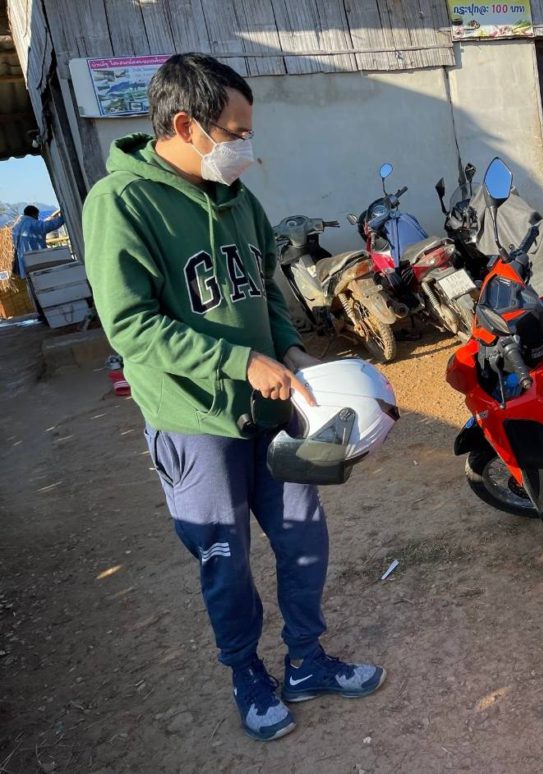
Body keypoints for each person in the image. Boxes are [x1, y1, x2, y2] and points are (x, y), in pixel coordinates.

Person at [82, 53, 385, 742]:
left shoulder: (240, 200)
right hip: (195, 424)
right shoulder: (121, 204)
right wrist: (237, 361)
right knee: (226, 559)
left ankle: (307, 660)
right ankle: (247, 672)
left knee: (304, 539)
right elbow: (132, 329)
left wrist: (296, 352)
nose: (247, 146)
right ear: (187, 125)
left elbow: (265, 297)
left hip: (273, 413)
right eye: (236, 131)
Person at [10, 205, 64, 278]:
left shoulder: (16, 226)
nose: (37, 218)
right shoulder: (32, 223)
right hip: (35, 259)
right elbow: (48, 226)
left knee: (30, 283)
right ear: (34, 214)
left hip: (22, 262)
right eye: (37, 215)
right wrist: (62, 218)